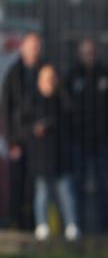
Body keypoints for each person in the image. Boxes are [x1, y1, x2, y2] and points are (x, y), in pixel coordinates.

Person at [66, 37, 108, 235]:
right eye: (86, 53)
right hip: (78, 140)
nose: (90, 56)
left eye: (93, 52)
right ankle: (79, 226)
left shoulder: (106, 75)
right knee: (78, 184)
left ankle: (105, 228)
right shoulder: (72, 76)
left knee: (104, 184)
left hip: (102, 140)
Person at [21, 64, 79, 241]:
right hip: (40, 155)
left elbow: (72, 117)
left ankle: (71, 225)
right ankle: (42, 225)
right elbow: (23, 125)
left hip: (61, 154)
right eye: (46, 78)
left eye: (52, 78)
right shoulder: (32, 100)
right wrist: (35, 129)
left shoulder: (62, 98)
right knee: (42, 192)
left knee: (66, 192)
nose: (49, 82)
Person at [1, 32, 44, 230]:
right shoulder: (14, 74)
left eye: (37, 47)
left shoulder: (46, 70)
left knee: (37, 183)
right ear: (23, 49)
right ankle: (17, 221)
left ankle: (35, 222)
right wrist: (11, 141)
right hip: (19, 138)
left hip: (41, 139)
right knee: (18, 181)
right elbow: (7, 109)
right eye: (31, 47)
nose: (35, 51)